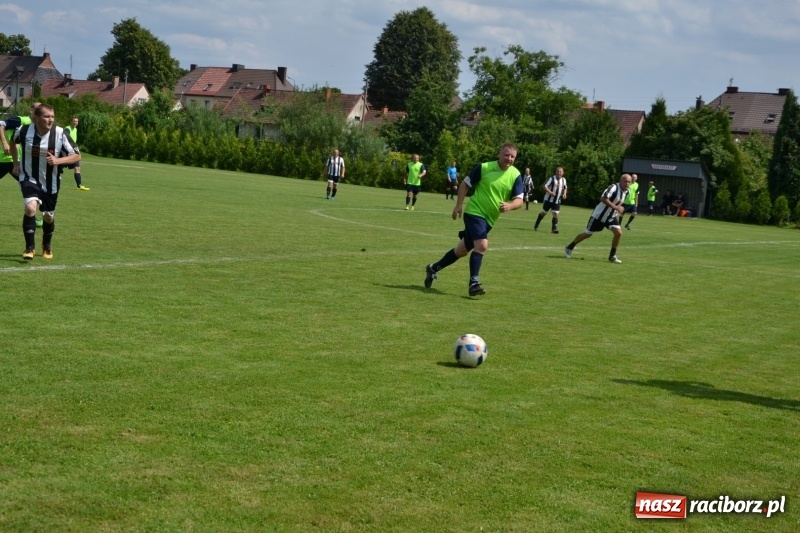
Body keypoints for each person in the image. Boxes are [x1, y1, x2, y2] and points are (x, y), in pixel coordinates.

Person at [424, 143, 523, 296]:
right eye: (506, 154)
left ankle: (433, 268)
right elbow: (464, 184)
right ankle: (474, 283)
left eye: (512, 156)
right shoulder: (484, 167)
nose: (509, 158)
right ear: (499, 153)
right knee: (482, 245)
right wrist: (458, 205)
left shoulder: (515, 175)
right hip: (474, 212)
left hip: (489, 220)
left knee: (462, 250)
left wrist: (510, 206)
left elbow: (519, 200)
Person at [9, 103, 81, 260]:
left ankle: (46, 245)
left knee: (48, 216)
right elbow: (13, 142)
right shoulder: (24, 130)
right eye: (47, 116)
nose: (50, 120)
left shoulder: (60, 133)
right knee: (30, 208)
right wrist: (16, 163)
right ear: (36, 118)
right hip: (29, 177)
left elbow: (77, 155)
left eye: (52, 117)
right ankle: (29, 248)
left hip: (51, 181)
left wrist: (57, 160)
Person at [564, 173, 632, 264]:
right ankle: (569, 247)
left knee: (618, 233)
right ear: (620, 180)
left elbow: (619, 202)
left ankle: (612, 256)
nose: (627, 183)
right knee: (587, 234)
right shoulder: (613, 187)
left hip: (610, 217)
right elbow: (603, 198)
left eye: (629, 182)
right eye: (625, 181)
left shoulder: (627, 191)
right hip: (598, 216)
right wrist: (615, 207)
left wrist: (619, 208)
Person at [1, 102, 43, 227]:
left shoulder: (36, 126)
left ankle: (31, 216)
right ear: (31, 110)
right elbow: (1, 125)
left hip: (17, 161)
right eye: (36, 110)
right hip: (4, 159)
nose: (38, 113)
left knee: (32, 188)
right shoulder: (21, 120)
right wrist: (5, 143)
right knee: (33, 188)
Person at [533, 166, 567, 234]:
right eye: (558, 171)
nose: (559, 173)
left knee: (555, 214)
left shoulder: (564, 180)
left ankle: (554, 229)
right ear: (556, 172)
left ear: (563, 173)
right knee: (543, 213)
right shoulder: (551, 179)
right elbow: (544, 186)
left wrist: (564, 194)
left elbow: (565, 187)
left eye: (560, 172)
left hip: (557, 201)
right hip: (548, 200)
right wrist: (550, 192)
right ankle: (536, 224)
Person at [64, 116, 89, 191]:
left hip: (73, 151)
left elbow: (73, 142)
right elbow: (66, 139)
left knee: (77, 168)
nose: (75, 123)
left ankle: (79, 185)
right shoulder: (67, 129)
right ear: (71, 121)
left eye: (76, 121)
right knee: (57, 167)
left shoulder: (75, 129)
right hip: (67, 151)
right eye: (74, 121)